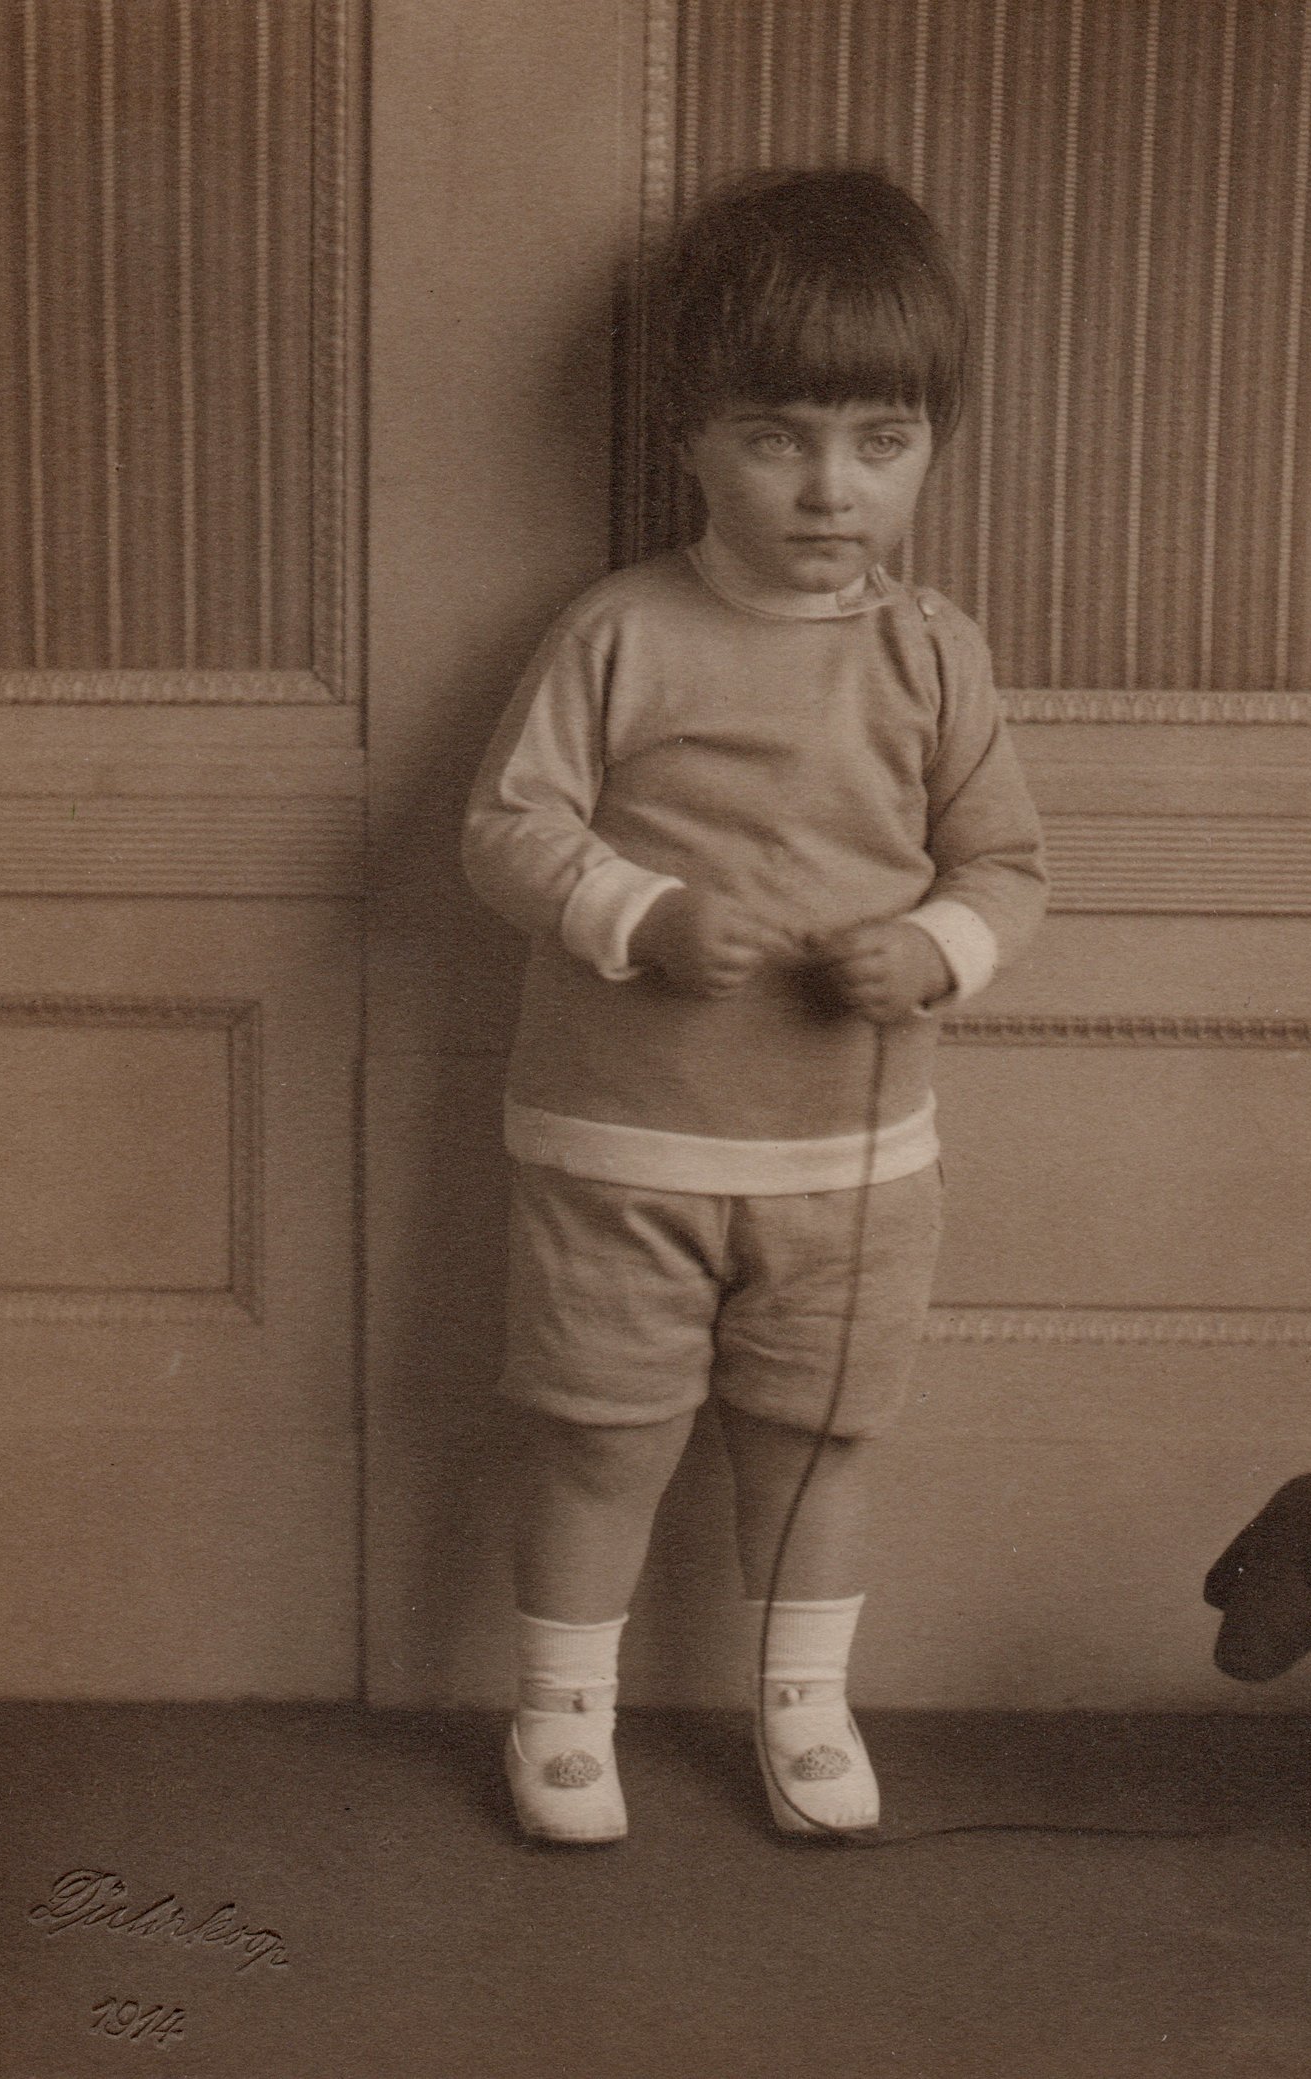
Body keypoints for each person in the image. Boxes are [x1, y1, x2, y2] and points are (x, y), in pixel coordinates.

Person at [462, 166, 1047, 1844]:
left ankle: (804, 1710)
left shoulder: (937, 656)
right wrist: (637, 916)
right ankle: (563, 1718)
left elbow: (1009, 867)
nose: (830, 488)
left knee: (814, 1449)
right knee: (598, 1442)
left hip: (850, 1168)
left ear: (932, 445)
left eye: (882, 439)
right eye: (780, 435)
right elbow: (506, 829)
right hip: (618, 1150)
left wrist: (935, 947)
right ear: (693, 439)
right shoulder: (620, 630)